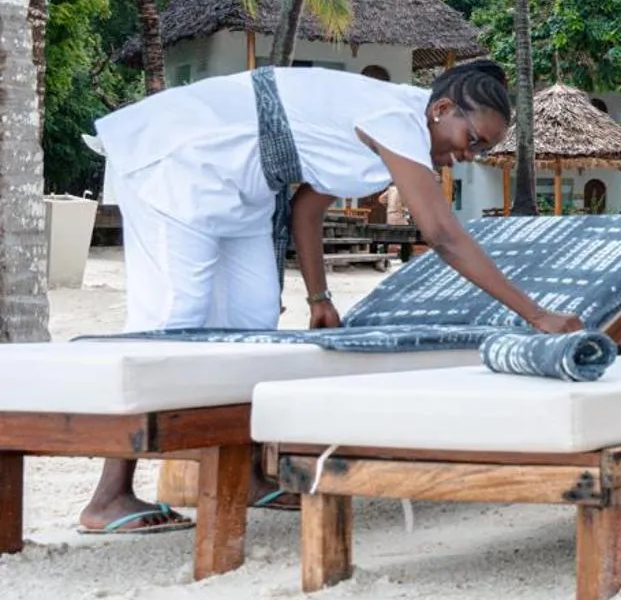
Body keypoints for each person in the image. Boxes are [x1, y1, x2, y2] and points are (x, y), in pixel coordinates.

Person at [80, 60, 583, 536]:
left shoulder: (402, 137)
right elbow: (443, 234)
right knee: (175, 315)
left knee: (254, 321)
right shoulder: (397, 121)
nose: (467, 156)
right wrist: (536, 315)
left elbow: (306, 207)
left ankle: (250, 475)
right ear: (442, 110)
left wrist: (318, 297)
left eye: (479, 151)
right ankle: (109, 495)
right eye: (471, 140)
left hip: (247, 189)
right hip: (183, 158)